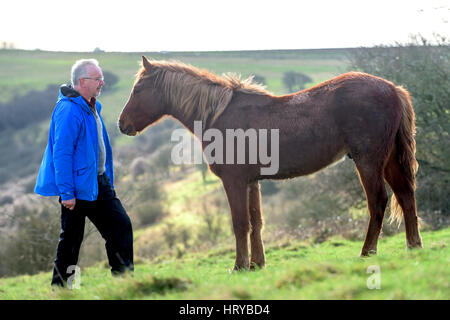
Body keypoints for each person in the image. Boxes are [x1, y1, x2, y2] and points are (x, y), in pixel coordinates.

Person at [35, 59, 134, 287]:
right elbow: (62, 154)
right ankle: (61, 289)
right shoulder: (68, 110)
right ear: (82, 81)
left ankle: (125, 283)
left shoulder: (92, 107)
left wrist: (107, 178)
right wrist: (67, 192)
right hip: (77, 190)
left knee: (121, 226)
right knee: (71, 242)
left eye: (101, 78)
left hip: (99, 184)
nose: (102, 83)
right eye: (97, 79)